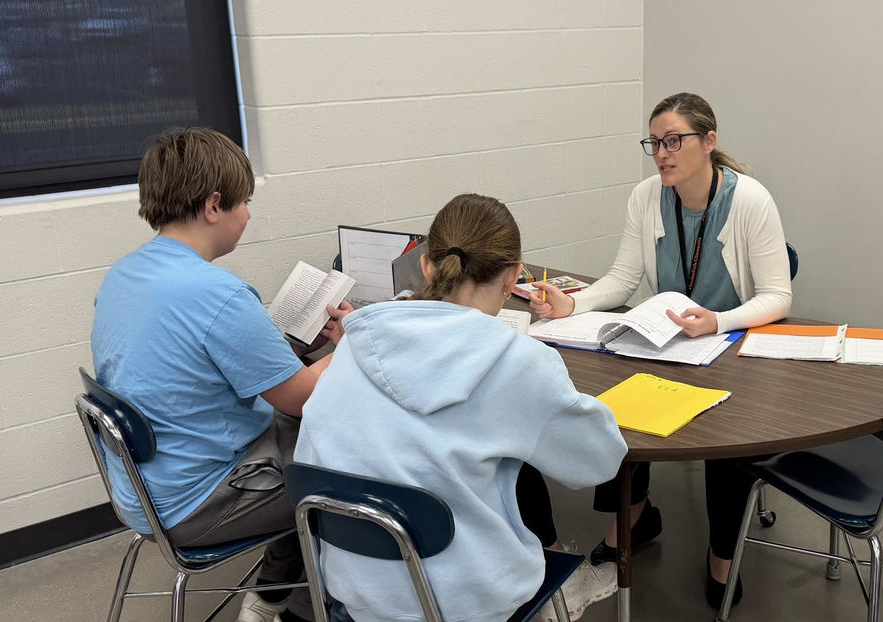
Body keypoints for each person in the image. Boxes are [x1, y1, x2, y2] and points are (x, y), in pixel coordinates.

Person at [294, 194, 629, 622]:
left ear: (426, 266)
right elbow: (598, 462)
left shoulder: (352, 348)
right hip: (469, 603)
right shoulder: (519, 363)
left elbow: (309, 460)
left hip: (355, 598)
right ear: (513, 277)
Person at [528, 92, 792, 609]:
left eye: (674, 141)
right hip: (671, 342)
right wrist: (573, 304)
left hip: (733, 344)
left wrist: (718, 320)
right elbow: (623, 278)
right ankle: (633, 516)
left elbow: (779, 296)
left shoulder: (749, 200)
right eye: (655, 143)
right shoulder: (647, 196)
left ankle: (723, 555)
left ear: (709, 141)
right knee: (617, 406)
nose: (662, 154)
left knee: (728, 442)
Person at [91, 127, 345, 622]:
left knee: (301, 433)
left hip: (141, 491)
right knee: (348, 458)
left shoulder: (125, 273)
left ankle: (269, 596)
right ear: (213, 206)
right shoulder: (216, 293)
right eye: (244, 202)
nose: (247, 214)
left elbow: (188, 364)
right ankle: (303, 606)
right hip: (193, 504)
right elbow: (302, 398)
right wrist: (355, 339)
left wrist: (291, 350)